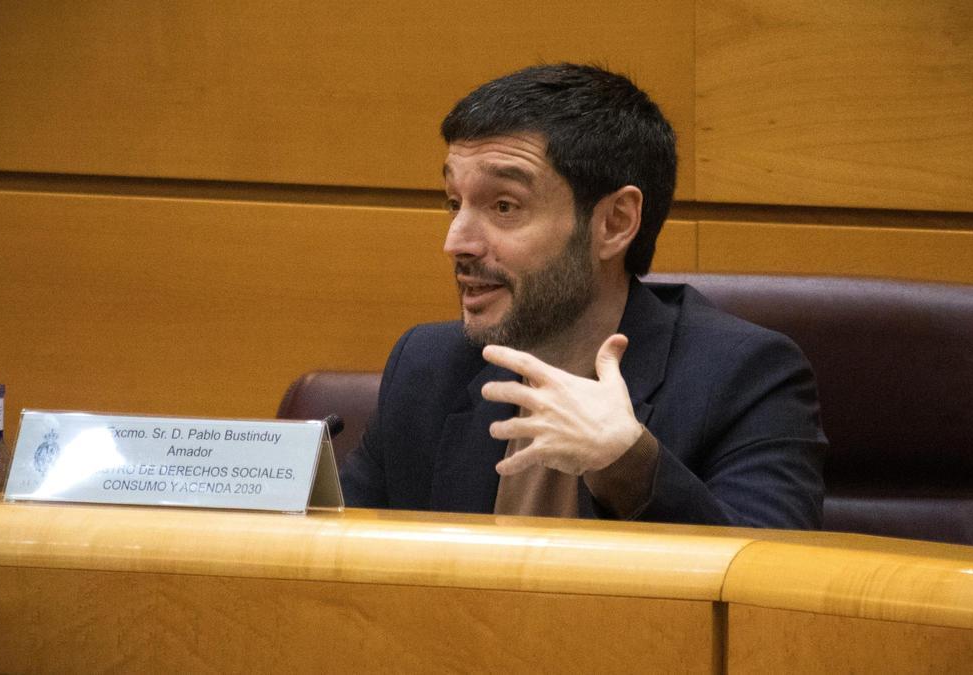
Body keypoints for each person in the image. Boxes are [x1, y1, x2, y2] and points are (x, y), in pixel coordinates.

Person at [340, 63, 826, 528]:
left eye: (504, 205)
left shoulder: (745, 378)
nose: (457, 242)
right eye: (454, 203)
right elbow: (336, 561)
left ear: (614, 224)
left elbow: (763, 587)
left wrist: (626, 464)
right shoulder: (428, 368)